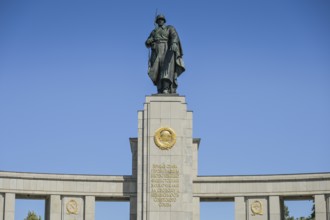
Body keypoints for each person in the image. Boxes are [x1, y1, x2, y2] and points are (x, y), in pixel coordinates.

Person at [145, 14, 185, 94]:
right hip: (156, 51)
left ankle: (165, 88)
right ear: (157, 22)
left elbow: (174, 36)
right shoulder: (154, 32)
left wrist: (173, 43)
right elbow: (147, 43)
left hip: (167, 50)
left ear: (164, 20)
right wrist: (150, 41)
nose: (160, 21)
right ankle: (159, 89)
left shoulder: (169, 28)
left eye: (161, 19)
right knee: (157, 70)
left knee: (166, 70)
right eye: (159, 20)